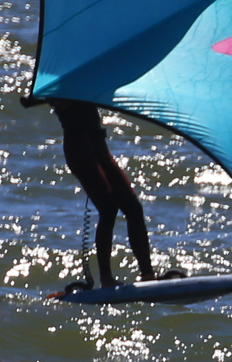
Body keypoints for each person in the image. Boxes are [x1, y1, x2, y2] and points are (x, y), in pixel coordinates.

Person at [52, 100, 156, 287]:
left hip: (98, 144)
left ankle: (148, 275)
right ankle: (106, 279)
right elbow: (32, 99)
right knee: (108, 208)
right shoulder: (61, 83)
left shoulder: (83, 75)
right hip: (79, 147)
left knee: (133, 208)